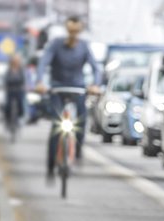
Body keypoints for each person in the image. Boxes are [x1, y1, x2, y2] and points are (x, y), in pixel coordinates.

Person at [35, 15, 101, 179]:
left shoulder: (84, 46)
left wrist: (95, 85)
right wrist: (39, 82)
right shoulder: (57, 43)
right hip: (57, 88)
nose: (73, 33)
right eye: (71, 29)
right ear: (67, 29)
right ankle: (51, 166)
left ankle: (77, 151)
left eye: (76, 30)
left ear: (79, 30)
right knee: (57, 126)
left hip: (77, 88)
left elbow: (96, 68)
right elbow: (43, 62)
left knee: (81, 119)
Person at [3, 54, 26, 128]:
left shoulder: (21, 70)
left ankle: (19, 118)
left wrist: (24, 86)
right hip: (10, 90)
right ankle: (8, 119)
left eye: (17, 60)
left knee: (20, 104)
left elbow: (23, 80)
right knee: (8, 105)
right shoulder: (9, 70)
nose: (16, 61)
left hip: (19, 90)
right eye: (15, 60)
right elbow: (6, 80)